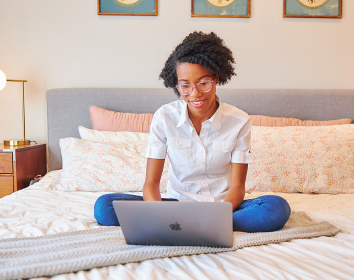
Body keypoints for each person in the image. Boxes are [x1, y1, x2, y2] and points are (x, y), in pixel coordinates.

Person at [94, 31, 291, 232]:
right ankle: (196, 225)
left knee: (275, 208)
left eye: (204, 83)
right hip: (176, 205)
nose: (195, 94)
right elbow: (151, 183)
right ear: (176, 84)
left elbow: (238, 187)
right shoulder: (164, 117)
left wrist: (217, 214)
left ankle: (190, 226)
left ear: (217, 78)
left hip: (223, 207)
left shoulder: (239, 121)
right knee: (104, 207)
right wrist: (159, 214)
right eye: (185, 86)